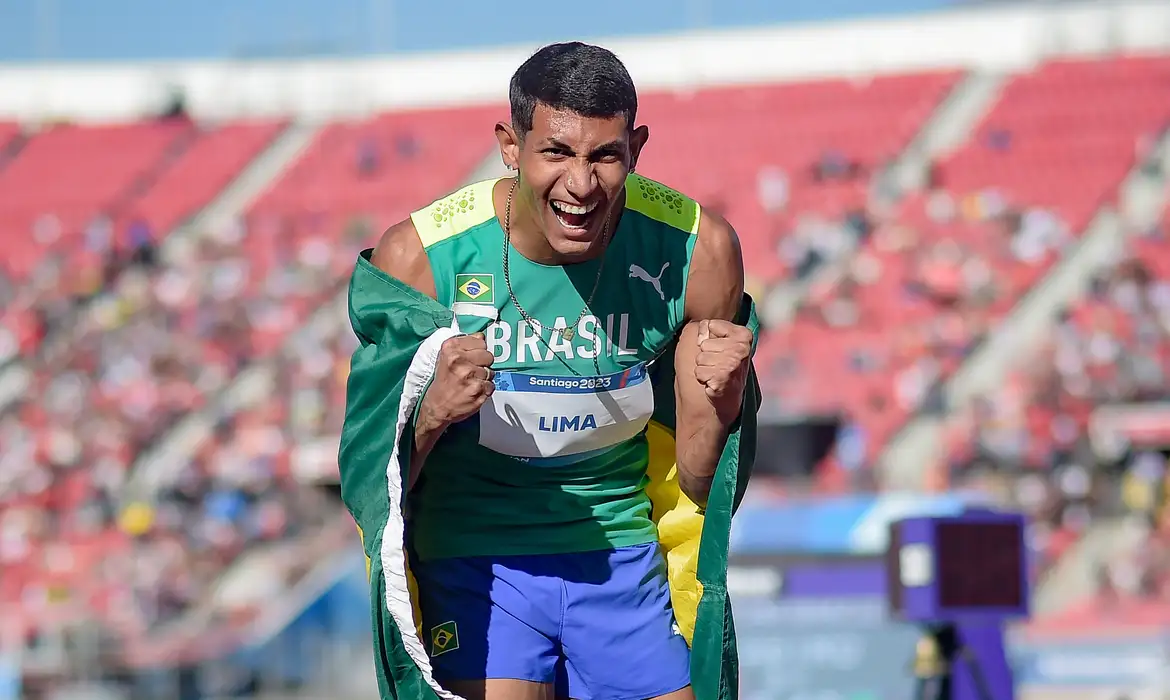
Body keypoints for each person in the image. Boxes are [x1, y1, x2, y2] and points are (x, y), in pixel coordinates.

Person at [341, 41, 757, 700]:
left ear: (637, 148)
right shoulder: (420, 258)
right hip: (476, 559)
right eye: (557, 153)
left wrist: (724, 398)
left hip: (623, 560)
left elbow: (703, 485)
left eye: (606, 156)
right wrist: (427, 414)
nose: (581, 185)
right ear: (511, 145)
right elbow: (373, 486)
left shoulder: (696, 252)